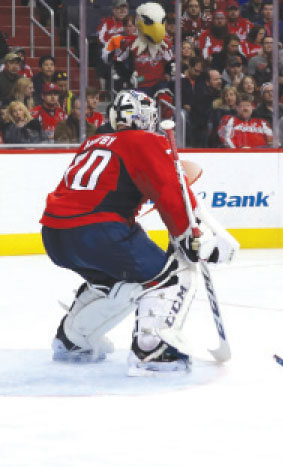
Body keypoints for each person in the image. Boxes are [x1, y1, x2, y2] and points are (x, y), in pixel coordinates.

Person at [40, 89, 237, 373]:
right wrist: (189, 240)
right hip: (99, 231)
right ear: (144, 117)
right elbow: (168, 189)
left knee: (111, 282)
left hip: (55, 234)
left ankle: (73, 341)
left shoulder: (94, 142)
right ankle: (152, 349)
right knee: (170, 276)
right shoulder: (144, 140)